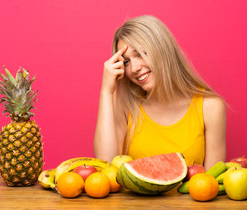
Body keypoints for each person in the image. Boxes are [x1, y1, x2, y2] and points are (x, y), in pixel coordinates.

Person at [94, 15, 226, 169]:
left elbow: (210, 184)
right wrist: (106, 92)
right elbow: (106, 165)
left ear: (163, 50)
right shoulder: (123, 103)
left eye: (140, 54)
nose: (134, 68)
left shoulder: (210, 107)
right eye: (126, 61)